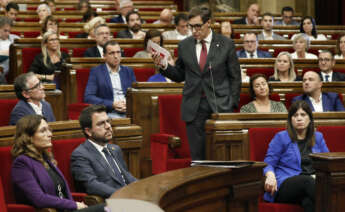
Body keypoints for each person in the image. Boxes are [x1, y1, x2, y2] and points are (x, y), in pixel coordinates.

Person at [152, 6, 241, 160]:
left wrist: (232, 103)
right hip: (194, 107)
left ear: (209, 23)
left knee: (221, 156)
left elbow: (235, 78)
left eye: (197, 26)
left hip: (220, 105)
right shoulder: (184, 45)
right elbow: (180, 75)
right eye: (190, 26)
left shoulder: (226, 44)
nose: (193, 31)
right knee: (198, 158)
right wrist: (164, 66)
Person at [11, 115, 88, 211]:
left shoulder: (46, 158)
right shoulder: (22, 163)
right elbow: (39, 199)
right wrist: (74, 205)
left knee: (109, 207)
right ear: (28, 137)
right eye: (43, 131)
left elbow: (61, 191)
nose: (50, 134)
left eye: (49, 130)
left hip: (69, 209)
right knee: (106, 208)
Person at [264, 100, 329, 212]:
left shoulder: (318, 138)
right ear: (290, 120)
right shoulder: (281, 137)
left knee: (308, 202)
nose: (299, 118)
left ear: (310, 118)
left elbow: (328, 163)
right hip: (286, 185)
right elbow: (268, 162)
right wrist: (270, 176)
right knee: (307, 181)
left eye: (303, 115)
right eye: (295, 115)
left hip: (312, 184)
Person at [71, 105, 137, 198]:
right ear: (88, 131)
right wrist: (124, 195)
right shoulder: (80, 155)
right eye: (101, 124)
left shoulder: (115, 149)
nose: (108, 126)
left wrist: (142, 188)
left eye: (108, 121)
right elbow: (91, 186)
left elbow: (126, 176)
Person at [84, 40, 136, 118]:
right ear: (104, 55)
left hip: (130, 110)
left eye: (118, 52)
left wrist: (128, 104)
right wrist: (112, 104)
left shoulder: (128, 71)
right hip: (109, 111)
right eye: (112, 53)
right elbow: (89, 97)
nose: (116, 56)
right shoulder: (96, 72)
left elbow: (135, 94)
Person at [0, 16, 19, 84]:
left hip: (14, 66)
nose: (8, 33)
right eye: (5, 31)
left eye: (9, 31)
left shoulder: (16, 38)